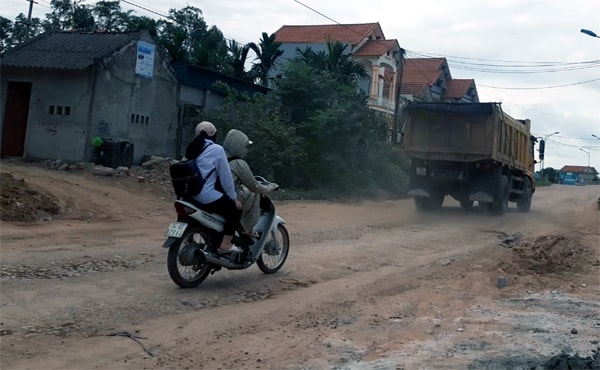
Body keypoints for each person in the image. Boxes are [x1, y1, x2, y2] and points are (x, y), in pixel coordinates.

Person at [186, 121, 243, 253]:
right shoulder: (217, 150)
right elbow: (226, 177)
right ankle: (226, 243)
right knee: (235, 210)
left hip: (189, 195)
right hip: (205, 195)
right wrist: (233, 197)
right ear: (213, 135)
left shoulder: (192, 148)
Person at [222, 129, 279, 236]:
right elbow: (255, 186)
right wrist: (272, 187)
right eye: (245, 147)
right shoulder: (239, 164)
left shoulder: (218, 157)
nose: (245, 150)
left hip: (212, 196)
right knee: (254, 193)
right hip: (228, 200)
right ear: (238, 146)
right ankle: (246, 227)